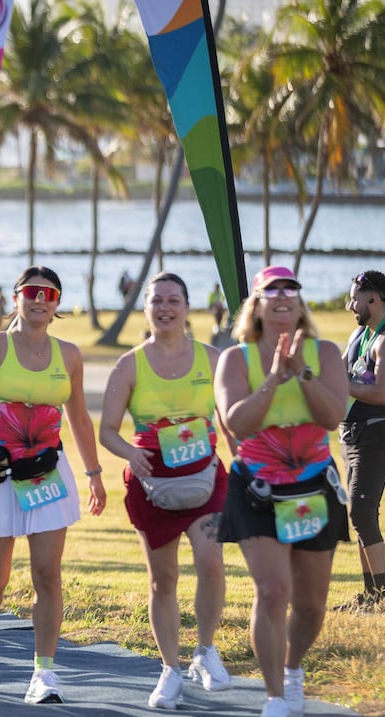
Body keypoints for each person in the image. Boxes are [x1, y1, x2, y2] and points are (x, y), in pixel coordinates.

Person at [0, 265, 106, 705]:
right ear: (17, 296)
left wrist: (95, 474)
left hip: (46, 471)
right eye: (33, 291)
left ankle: (44, 674)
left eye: (51, 294)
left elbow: (79, 418)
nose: (41, 299)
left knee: (47, 573)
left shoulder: (70, 355)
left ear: (57, 304)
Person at [215, 266, 349, 717]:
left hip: (312, 485)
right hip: (257, 488)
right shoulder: (236, 359)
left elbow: (333, 417)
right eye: (272, 290)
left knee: (310, 606)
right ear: (257, 303)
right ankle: (273, 697)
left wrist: (303, 375)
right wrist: (273, 378)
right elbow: (236, 422)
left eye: (291, 289)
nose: (283, 296)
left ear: (300, 302)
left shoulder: (326, 352)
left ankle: (292, 669)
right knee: (272, 590)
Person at [98, 273, 232, 709]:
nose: (165, 307)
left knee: (211, 563)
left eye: (174, 300)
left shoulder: (213, 358)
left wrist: (244, 458)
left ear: (187, 307)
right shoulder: (129, 365)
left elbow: (230, 420)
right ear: (147, 308)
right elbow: (108, 431)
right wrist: (129, 455)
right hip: (152, 484)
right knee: (163, 580)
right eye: (157, 301)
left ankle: (205, 651)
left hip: (206, 478)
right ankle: (170, 669)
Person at [336, 270, 385, 614]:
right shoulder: (359, 334)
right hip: (350, 434)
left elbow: (380, 394)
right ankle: (370, 597)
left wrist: (338, 383)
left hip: (377, 435)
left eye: (354, 298)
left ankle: (383, 599)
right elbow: (335, 370)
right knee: (358, 515)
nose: (350, 304)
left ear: (373, 299)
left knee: (364, 512)